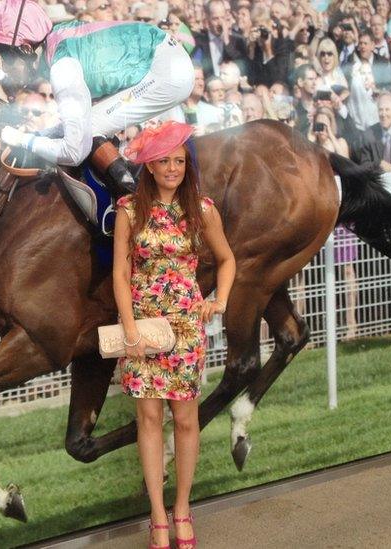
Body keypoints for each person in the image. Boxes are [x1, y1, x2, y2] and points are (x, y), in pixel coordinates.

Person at [112, 121, 235, 549]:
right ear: (148, 166)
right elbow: (120, 273)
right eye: (164, 160)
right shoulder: (129, 210)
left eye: (179, 161)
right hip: (143, 326)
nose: (172, 168)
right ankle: (158, 515)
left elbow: (226, 260)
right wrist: (129, 329)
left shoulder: (202, 209)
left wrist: (217, 301)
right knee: (148, 419)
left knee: (185, 419)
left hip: (185, 328)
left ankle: (182, 507)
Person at [0, 0, 195, 198]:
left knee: (87, 132)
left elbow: (74, 152)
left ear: (26, 48)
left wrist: (23, 140)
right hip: (164, 60)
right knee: (85, 128)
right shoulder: (54, 41)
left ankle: (139, 205)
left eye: (4, 56)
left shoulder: (62, 69)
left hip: (168, 72)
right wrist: (39, 135)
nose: (3, 66)